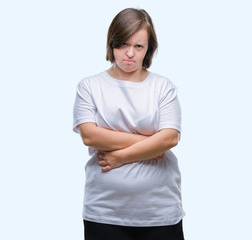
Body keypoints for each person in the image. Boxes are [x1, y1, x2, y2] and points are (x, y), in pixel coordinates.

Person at [72, 8, 185, 240]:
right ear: (111, 44)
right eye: (123, 44)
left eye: (138, 46)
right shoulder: (89, 86)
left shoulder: (163, 87)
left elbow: (170, 138)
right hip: (105, 213)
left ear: (149, 49)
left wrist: (121, 157)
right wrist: (152, 144)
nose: (129, 53)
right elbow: (90, 136)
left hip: (159, 212)